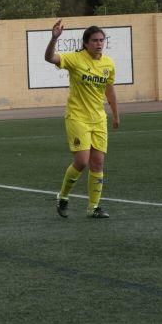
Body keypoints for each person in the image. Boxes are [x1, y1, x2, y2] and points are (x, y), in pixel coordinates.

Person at [44, 19, 119, 219]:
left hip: (99, 119)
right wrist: (54, 38)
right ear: (86, 43)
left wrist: (115, 114)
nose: (99, 43)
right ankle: (63, 197)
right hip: (77, 117)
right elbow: (49, 58)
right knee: (82, 161)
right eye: (94, 40)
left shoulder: (108, 63)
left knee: (98, 163)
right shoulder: (76, 59)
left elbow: (109, 90)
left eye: (102, 40)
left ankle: (93, 207)